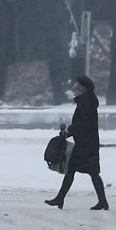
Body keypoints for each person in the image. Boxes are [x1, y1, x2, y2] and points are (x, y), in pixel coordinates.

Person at [46, 73, 108, 210]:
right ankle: (61, 199)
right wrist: (70, 132)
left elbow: (82, 124)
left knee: (90, 173)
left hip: (86, 145)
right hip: (86, 143)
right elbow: (81, 124)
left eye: (76, 88)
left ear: (83, 90)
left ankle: (102, 201)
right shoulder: (87, 102)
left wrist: (68, 132)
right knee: (77, 171)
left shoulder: (86, 104)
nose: (74, 91)